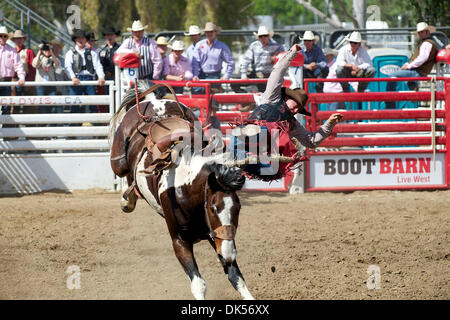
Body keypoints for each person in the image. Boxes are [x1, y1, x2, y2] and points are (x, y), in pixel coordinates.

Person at [238, 44, 343, 176]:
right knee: (262, 132)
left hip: (260, 158)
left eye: (299, 108)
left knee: (278, 146)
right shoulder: (273, 97)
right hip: (246, 142)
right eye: (296, 104)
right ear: (287, 97)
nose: (296, 109)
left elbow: (311, 141)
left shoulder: (291, 123)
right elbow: (278, 72)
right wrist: (292, 52)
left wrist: (330, 123)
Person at [385, 22, 439, 109]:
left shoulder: (427, 44)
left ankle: (390, 105)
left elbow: (422, 58)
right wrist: (408, 65)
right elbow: (421, 58)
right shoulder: (427, 43)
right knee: (398, 75)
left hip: (418, 72)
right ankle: (412, 86)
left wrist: (408, 66)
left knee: (392, 76)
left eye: (422, 32)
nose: (420, 34)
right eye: (419, 32)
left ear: (427, 32)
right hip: (418, 71)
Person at [64, 29, 105, 113]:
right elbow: (67, 67)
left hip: (89, 79)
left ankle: (96, 124)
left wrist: (101, 77)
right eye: (78, 38)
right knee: (74, 103)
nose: (80, 40)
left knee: (93, 103)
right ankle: (73, 124)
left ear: (86, 40)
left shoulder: (92, 53)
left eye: (82, 38)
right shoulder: (70, 53)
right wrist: (73, 77)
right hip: (77, 79)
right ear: (75, 40)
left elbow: (98, 66)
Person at [192, 22, 235, 93]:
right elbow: (195, 62)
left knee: (212, 99)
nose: (209, 34)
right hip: (201, 75)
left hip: (215, 76)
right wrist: (195, 75)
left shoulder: (222, 46)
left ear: (215, 32)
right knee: (196, 93)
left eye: (211, 32)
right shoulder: (199, 45)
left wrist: (226, 76)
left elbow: (231, 62)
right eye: (207, 32)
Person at [239, 25, 284, 93]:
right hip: (256, 73)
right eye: (261, 36)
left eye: (265, 36)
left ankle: (254, 99)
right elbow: (246, 60)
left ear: (268, 36)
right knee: (234, 84)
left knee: (263, 85)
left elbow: (285, 56)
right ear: (258, 38)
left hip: (270, 74)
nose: (263, 38)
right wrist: (243, 75)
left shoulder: (277, 46)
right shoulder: (254, 46)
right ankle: (247, 101)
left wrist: (277, 57)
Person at [0, 26, 25, 115]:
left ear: (7, 38)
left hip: (7, 81)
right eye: (0, 36)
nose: (2, 38)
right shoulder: (12, 50)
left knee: (6, 108)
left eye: (4, 36)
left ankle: (6, 128)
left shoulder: (11, 50)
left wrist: (21, 77)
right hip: (6, 82)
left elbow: (18, 65)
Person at [32, 39, 61, 113]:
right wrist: (39, 51)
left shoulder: (54, 58)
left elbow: (57, 65)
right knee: (42, 107)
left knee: (53, 106)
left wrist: (51, 52)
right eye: (45, 49)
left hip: (51, 85)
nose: (46, 50)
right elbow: (35, 65)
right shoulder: (39, 57)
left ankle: (52, 124)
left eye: (47, 48)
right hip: (40, 85)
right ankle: (42, 124)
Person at [11, 29, 36, 113]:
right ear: (14, 40)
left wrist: (29, 82)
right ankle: (13, 125)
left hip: (26, 79)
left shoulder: (29, 51)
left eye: (21, 38)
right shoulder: (11, 51)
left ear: (24, 39)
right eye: (17, 38)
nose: (19, 40)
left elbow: (32, 69)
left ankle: (28, 124)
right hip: (14, 80)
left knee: (29, 106)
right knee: (14, 105)